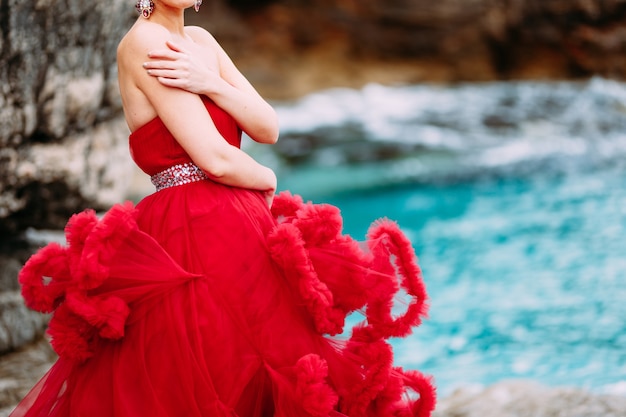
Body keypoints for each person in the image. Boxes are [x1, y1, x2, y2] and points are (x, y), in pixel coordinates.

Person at [11, 1, 436, 416]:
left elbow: (266, 126)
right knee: (217, 364)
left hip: (238, 219)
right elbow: (212, 157)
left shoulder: (201, 41)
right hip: (191, 223)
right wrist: (266, 178)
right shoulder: (145, 43)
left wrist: (209, 81)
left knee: (273, 355)